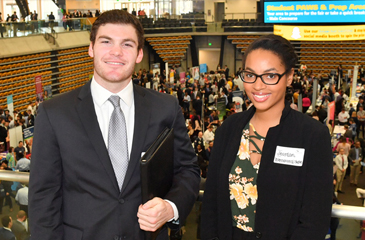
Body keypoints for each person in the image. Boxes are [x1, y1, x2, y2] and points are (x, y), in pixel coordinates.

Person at [29, 10, 200, 240]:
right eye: (106, 41)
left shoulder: (165, 108)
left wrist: (170, 207)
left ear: (139, 54)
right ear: (91, 48)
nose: (116, 52)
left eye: (127, 44)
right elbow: (44, 197)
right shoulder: (54, 114)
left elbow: (187, 169)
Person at [201, 34, 333, 240]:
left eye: (270, 76)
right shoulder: (229, 128)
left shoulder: (312, 135)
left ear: (289, 77)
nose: (258, 85)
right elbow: (211, 202)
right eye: (250, 75)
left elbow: (314, 220)